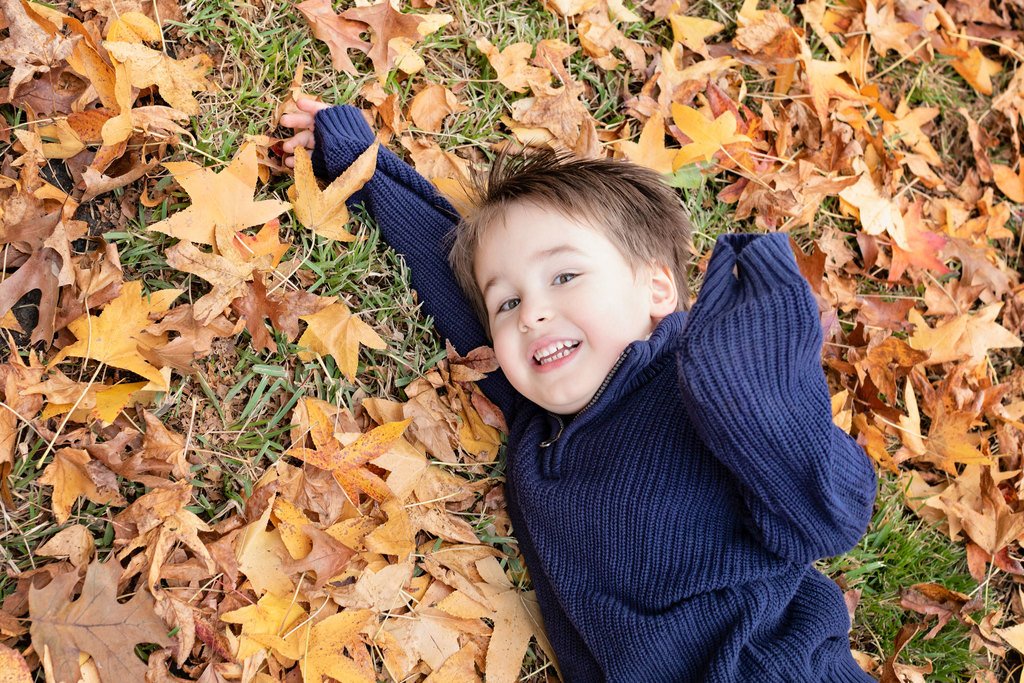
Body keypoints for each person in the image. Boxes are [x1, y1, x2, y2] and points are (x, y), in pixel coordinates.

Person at [280, 96, 879, 682]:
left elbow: (831, 515)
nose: (531, 314)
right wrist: (366, 171)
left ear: (657, 292)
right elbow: (457, 290)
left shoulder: (694, 390)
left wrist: (757, 401)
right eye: (508, 302)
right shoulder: (543, 421)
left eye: (564, 276)